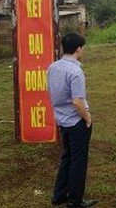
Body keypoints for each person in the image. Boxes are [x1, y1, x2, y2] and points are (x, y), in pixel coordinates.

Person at [47, 33, 98, 208]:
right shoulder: (75, 71)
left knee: (67, 157)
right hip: (76, 122)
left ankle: (59, 195)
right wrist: (88, 118)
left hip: (62, 120)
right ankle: (75, 199)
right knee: (78, 161)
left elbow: (52, 92)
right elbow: (77, 101)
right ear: (78, 49)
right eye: (83, 48)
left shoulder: (52, 67)